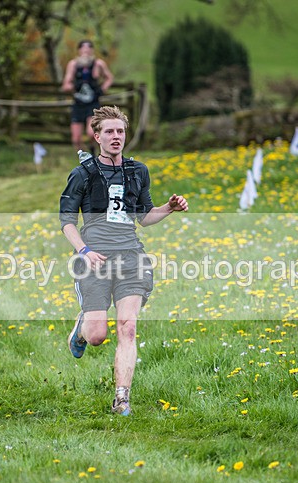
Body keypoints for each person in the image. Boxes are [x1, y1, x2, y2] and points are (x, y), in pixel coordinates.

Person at [59, 105, 188, 416]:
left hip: (131, 256)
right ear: (97, 136)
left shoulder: (137, 171)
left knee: (128, 328)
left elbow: (144, 216)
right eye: (110, 132)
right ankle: (81, 328)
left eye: (120, 131)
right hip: (95, 259)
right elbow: (66, 221)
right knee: (97, 336)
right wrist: (84, 251)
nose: (116, 137)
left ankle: (122, 400)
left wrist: (169, 208)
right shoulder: (82, 174)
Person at [62, 40, 114, 153]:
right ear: (79, 50)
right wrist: (72, 87)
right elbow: (66, 84)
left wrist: (102, 89)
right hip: (78, 103)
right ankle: (84, 159)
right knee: (76, 139)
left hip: (92, 103)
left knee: (91, 133)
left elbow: (109, 78)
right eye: (83, 47)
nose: (86, 50)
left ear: (92, 50)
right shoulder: (73, 64)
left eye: (89, 47)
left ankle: (94, 151)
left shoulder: (98, 64)